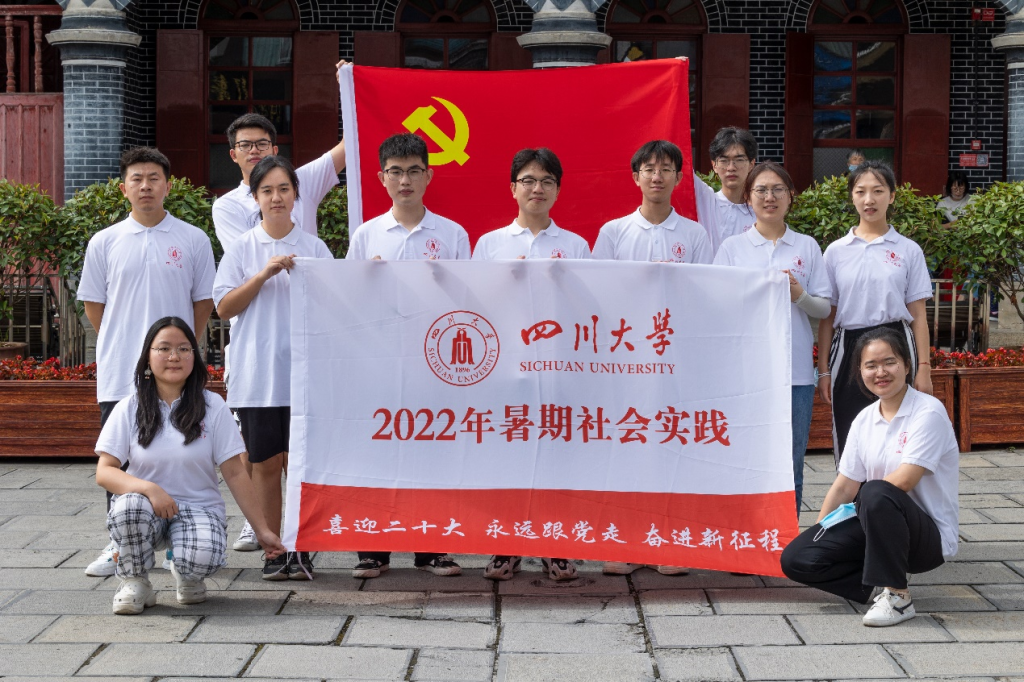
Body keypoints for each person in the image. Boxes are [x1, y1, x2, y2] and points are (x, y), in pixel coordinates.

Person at [212, 101, 345, 554]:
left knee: (303, 465)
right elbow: (224, 307)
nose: (276, 197)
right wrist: (263, 275)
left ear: (296, 195)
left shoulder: (315, 248)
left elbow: (335, 307)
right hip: (259, 373)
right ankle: (272, 546)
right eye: (267, 190)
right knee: (265, 463)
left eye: (284, 189)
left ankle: (303, 545)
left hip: (307, 374)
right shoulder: (242, 248)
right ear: (255, 198)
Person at [78, 147, 217, 578]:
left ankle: (180, 537)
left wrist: (178, 349)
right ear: (123, 188)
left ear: (168, 186)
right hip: (121, 369)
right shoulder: (105, 241)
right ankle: (121, 545)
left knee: (178, 447)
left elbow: (203, 302)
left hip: (176, 371)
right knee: (120, 459)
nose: (145, 186)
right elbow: (95, 306)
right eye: (136, 179)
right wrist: (130, 347)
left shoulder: (192, 239)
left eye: (154, 178)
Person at [96, 316, 285, 615]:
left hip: (198, 508)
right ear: (148, 357)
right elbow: (105, 471)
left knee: (201, 557)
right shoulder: (130, 407)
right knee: (129, 507)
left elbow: (235, 472)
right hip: (146, 508)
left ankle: (188, 574)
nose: (174, 356)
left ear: (194, 357)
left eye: (184, 349)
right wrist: (150, 489)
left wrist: (262, 530)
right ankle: (135, 580)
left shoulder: (212, 405)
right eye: (164, 348)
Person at [345, 133, 467, 579]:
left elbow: (470, 300)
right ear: (381, 178)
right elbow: (349, 299)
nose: (405, 181)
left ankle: (432, 548)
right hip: (380, 361)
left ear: (429, 176)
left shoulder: (452, 234)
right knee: (377, 451)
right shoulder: (366, 235)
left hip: (435, 363)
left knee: (432, 452)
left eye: (414, 171)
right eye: (395, 172)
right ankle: (372, 549)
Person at [781, 327, 958, 627]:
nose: (880, 372)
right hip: (875, 521)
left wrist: (863, 504)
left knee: (876, 491)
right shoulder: (865, 419)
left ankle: (898, 597)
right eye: (871, 365)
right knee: (797, 558)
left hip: (925, 537)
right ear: (860, 371)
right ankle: (876, 583)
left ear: (906, 365)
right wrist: (821, 533)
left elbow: (905, 481)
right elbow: (844, 486)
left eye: (889, 362)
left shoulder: (928, 412)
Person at [475, 147, 584, 582]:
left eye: (547, 181)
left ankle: (557, 547)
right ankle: (507, 546)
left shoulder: (575, 245)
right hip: (506, 367)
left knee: (557, 456)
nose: (537, 189)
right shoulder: (490, 244)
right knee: (509, 456)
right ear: (513, 188)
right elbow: (475, 306)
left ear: (557, 190)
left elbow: (589, 307)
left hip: (559, 368)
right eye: (529, 181)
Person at [714, 161, 831, 514]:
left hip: (795, 373)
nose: (770, 197)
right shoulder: (733, 248)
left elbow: (824, 308)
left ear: (790, 196)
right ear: (748, 197)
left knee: (791, 461)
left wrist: (799, 296)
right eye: (761, 190)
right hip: (746, 375)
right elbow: (716, 305)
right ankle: (745, 533)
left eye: (778, 189)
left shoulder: (806, 246)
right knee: (744, 457)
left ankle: (786, 536)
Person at [817, 161, 933, 466]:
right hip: (849, 347)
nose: (869, 200)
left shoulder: (908, 250)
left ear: (891, 196)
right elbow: (827, 317)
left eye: (878, 191)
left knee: (901, 431)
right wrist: (824, 371)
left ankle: (895, 493)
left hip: (897, 342)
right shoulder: (835, 252)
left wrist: (923, 367)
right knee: (849, 427)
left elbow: (919, 315)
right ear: (852, 197)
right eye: (861, 191)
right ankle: (851, 494)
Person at [592, 139, 712, 264]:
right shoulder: (612, 232)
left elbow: (704, 277)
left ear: (678, 178)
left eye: (666, 170)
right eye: (649, 170)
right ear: (636, 178)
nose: (656, 178)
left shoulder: (696, 234)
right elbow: (598, 275)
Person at [692, 127, 757, 254]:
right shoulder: (705, 199)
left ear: (751, 164)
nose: (731, 167)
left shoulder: (760, 210)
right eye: (724, 160)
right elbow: (681, 163)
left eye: (739, 160)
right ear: (714, 165)